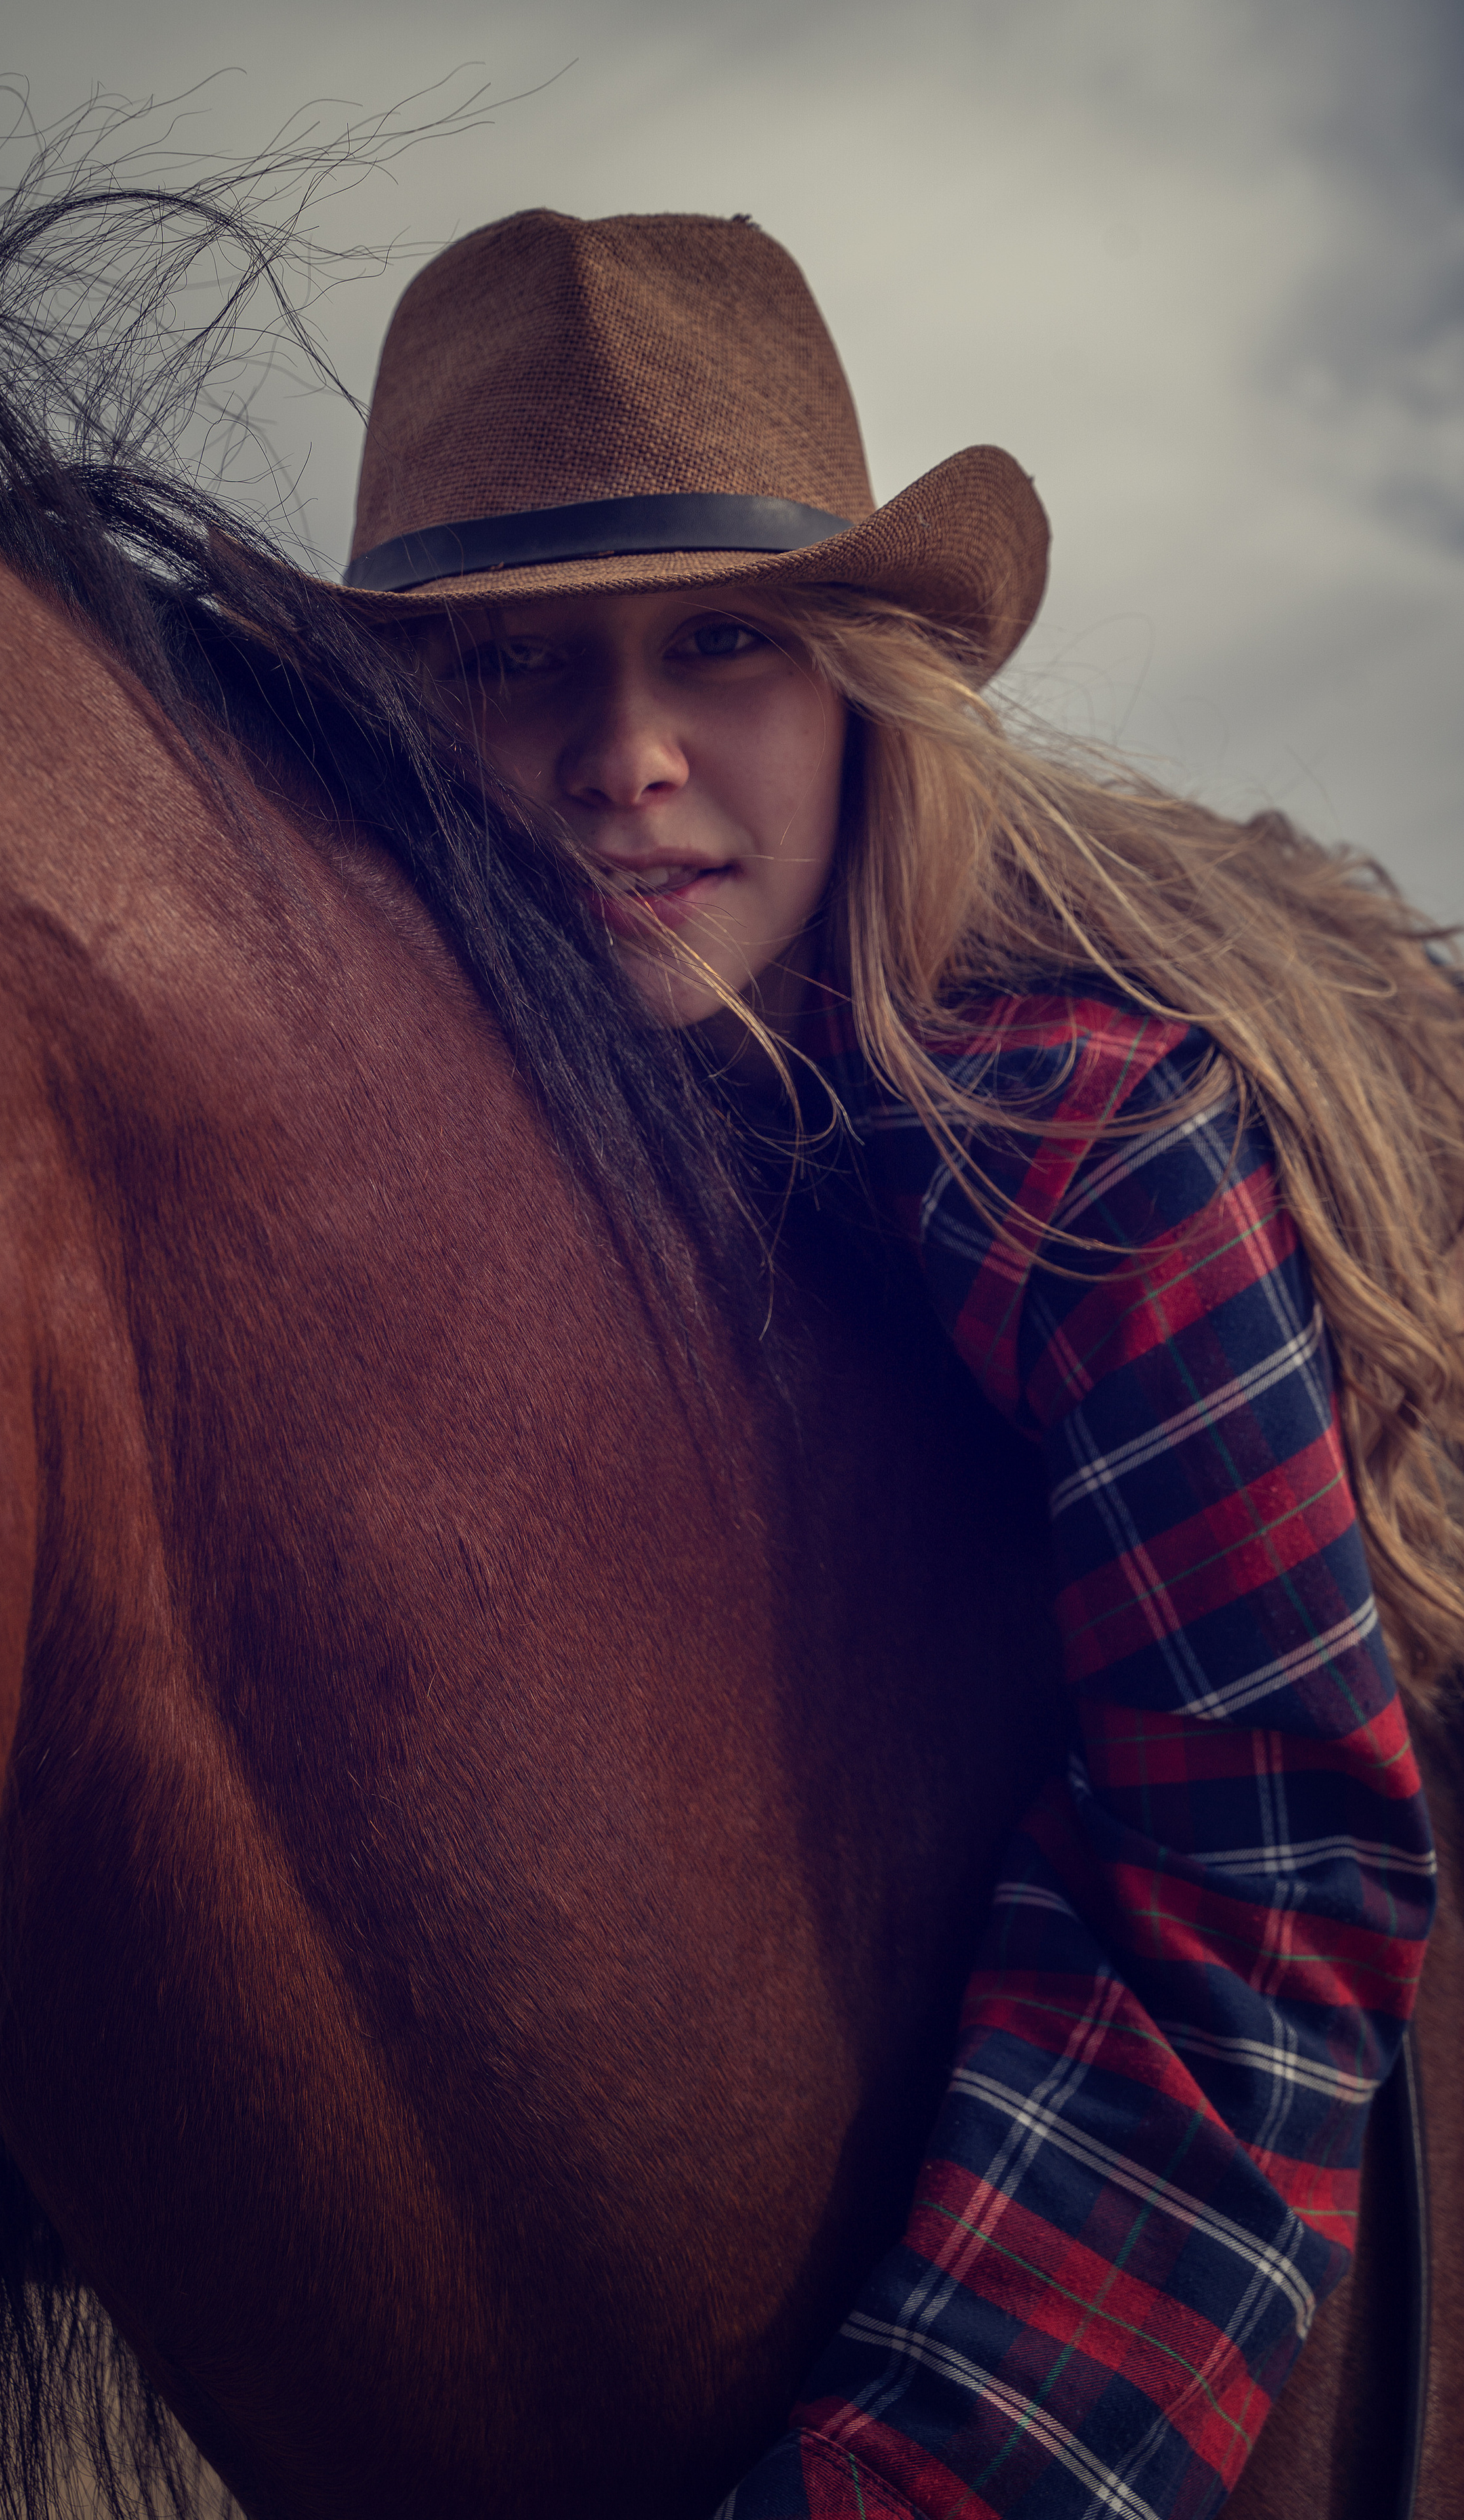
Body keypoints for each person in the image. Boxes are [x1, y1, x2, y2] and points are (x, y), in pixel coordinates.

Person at [336, 209, 1463, 2517]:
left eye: (722, 642)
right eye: (518, 664)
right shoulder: (430, 1172)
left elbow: (1261, 1891)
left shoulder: (1087, 1151)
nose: (627, 754)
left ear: (860, 683)